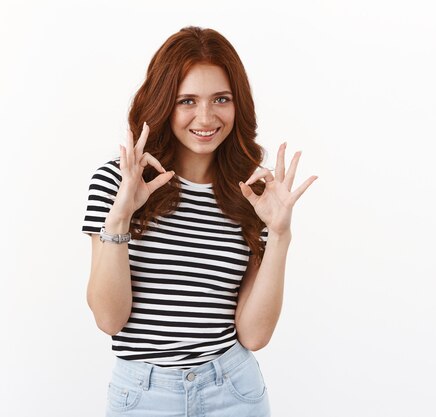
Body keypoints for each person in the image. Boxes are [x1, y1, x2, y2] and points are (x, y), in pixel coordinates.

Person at [81, 26, 316, 417]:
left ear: (237, 104)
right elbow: (109, 318)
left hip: (233, 391)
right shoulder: (118, 181)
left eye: (220, 99)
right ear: (162, 104)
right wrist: (121, 215)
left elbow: (254, 335)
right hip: (143, 395)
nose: (205, 117)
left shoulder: (252, 194)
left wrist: (278, 234)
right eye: (186, 100)